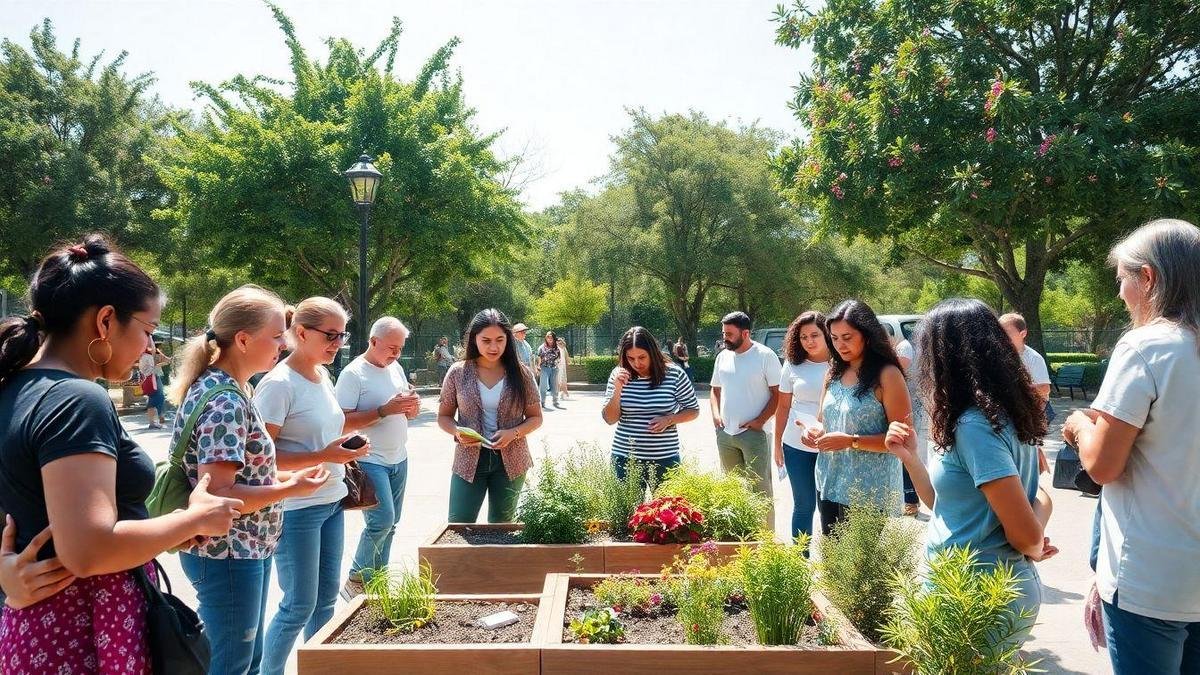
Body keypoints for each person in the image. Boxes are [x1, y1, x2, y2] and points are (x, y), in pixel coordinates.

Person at [0, 235, 241, 673]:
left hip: (37, 628)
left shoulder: (16, 387)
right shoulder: (76, 399)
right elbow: (89, 550)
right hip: (86, 629)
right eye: (148, 331)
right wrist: (195, 518)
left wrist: (164, 530)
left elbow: (33, 511)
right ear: (106, 321)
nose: (150, 347)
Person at [1062, 219, 1200, 674]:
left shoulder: (1148, 347)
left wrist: (1080, 425)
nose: (1119, 293)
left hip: (1151, 578)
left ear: (1149, 278)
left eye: (1122, 278)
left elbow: (1102, 466)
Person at [172, 285, 330, 675]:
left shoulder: (232, 388)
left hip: (244, 549)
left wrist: (289, 475)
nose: (284, 342)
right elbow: (219, 494)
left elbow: (246, 470)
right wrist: (291, 488)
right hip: (227, 552)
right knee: (234, 662)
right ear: (243, 340)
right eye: (277, 335)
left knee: (246, 659)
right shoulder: (225, 399)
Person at [886, 298, 1056, 649]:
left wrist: (1033, 543)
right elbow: (945, 504)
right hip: (969, 590)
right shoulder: (998, 416)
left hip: (975, 598)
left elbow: (1024, 532)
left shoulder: (975, 426)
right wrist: (910, 458)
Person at [257, 297, 371, 675]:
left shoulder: (323, 375)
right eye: (331, 335)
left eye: (343, 335)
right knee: (298, 605)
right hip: (295, 508)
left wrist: (345, 444)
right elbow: (261, 458)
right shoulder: (278, 384)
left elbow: (321, 434)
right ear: (300, 333)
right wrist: (324, 454)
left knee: (324, 602)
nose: (338, 343)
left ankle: (319, 667)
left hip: (330, 501)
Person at [801, 300, 911, 535]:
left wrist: (851, 441)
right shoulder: (832, 371)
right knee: (833, 563)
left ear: (868, 336)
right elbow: (822, 421)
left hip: (868, 492)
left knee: (858, 569)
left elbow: (904, 440)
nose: (840, 344)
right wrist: (813, 432)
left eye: (848, 337)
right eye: (834, 337)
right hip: (830, 482)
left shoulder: (887, 375)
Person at [335, 317, 420, 599]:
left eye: (400, 348)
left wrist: (411, 408)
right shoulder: (353, 373)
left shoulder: (395, 367)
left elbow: (402, 408)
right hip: (370, 458)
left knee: (392, 523)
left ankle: (377, 583)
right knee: (382, 520)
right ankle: (357, 577)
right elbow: (342, 422)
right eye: (391, 347)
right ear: (373, 341)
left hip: (399, 457)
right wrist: (384, 410)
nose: (396, 354)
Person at [438, 309, 542, 523]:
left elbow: (536, 417)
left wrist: (513, 433)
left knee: (501, 529)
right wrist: (457, 432)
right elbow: (444, 417)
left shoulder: (521, 374)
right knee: (459, 525)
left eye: (499, 340)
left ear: (508, 339)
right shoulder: (458, 372)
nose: (493, 347)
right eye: (486, 340)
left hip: (511, 462)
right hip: (468, 461)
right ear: (474, 339)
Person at [602, 327, 700, 496]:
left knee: (667, 514)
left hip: (665, 458)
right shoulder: (618, 375)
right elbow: (610, 419)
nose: (637, 363)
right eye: (630, 358)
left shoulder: (674, 374)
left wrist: (669, 420)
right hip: (625, 457)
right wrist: (618, 389)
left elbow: (693, 410)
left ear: (653, 352)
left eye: (642, 357)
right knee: (625, 516)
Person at [710, 311, 781, 529]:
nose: (725, 338)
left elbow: (779, 394)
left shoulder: (765, 356)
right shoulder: (723, 356)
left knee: (760, 490)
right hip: (726, 434)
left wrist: (760, 421)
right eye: (724, 333)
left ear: (746, 333)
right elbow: (715, 390)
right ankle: (740, 537)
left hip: (755, 435)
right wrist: (716, 416)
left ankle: (765, 540)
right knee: (733, 489)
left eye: (729, 334)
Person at [771, 311, 831, 545]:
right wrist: (777, 445)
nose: (809, 341)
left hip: (833, 445)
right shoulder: (793, 364)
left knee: (829, 506)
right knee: (804, 505)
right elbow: (783, 407)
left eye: (814, 335)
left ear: (827, 333)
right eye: (803, 336)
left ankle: (834, 568)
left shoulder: (842, 363)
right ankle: (800, 562)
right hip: (797, 446)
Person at [999, 313, 1053, 474]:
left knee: (1026, 454)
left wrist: (1016, 388)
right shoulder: (999, 355)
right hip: (1008, 412)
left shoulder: (1033, 358)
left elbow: (1045, 388)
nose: (1001, 336)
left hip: (1030, 414)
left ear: (1023, 333)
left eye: (1006, 332)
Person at [894, 335, 927, 516]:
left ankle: (911, 501)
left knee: (905, 454)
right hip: (905, 408)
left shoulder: (904, 347)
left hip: (908, 409)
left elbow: (900, 370)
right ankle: (909, 500)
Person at [139, 341, 171, 428]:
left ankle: (155, 422)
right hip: (152, 379)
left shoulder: (147, 356)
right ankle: (154, 422)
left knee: (157, 399)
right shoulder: (147, 356)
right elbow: (148, 371)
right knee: (155, 399)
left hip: (154, 378)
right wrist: (163, 364)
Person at [536, 330, 563, 410]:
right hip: (544, 367)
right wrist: (538, 367)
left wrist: (557, 363)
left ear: (554, 338)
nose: (549, 338)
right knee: (543, 386)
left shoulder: (557, 348)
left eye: (551, 337)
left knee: (554, 385)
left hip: (554, 368)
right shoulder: (541, 347)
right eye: (547, 337)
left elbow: (559, 357)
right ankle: (542, 402)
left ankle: (555, 401)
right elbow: (539, 357)